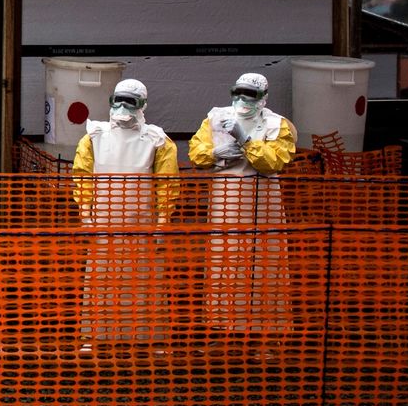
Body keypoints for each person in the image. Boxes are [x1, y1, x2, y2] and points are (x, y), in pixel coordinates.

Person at [186, 72, 298, 345]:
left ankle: (267, 335)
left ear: (263, 98)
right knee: (224, 264)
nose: (243, 100)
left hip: (263, 205)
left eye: (250, 94)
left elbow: (274, 162)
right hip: (227, 202)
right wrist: (214, 154)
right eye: (239, 93)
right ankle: (222, 329)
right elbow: (196, 153)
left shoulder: (278, 125)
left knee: (264, 265)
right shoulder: (214, 119)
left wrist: (246, 141)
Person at [71, 78, 179, 355]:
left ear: (142, 104)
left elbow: (167, 183)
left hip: (142, 223)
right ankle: (94, 336)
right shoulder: (94, 135)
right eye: (117, 99)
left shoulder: (157, 140)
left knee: (145, 280)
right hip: (103, 223)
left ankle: (150, 338)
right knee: (100, 280)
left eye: (129, 101)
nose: (122, 106)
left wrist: (161, 222)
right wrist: (86, 213)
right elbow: (82, 176)